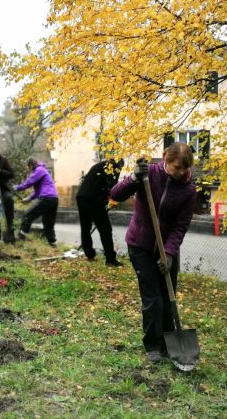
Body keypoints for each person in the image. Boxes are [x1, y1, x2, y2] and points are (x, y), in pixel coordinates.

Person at [109, 143, 196, 363]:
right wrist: (134, 178)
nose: (180, 173)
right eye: (176, 167)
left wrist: (168, 253)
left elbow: (181, 225)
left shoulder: (188, 189)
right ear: (166, 157)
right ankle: (153, 345)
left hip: (167, 249)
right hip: (140, 245)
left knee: (168, 297)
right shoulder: (149, 175)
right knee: (153, 298)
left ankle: (170, 344)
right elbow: (116, 194)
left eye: (184, 169)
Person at [77, 158, 124, 266]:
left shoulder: (100, 165)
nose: (120, 169)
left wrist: (107, 199)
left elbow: (99, 184)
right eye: (121, 166)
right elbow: (114, 188)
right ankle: (110, 259)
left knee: (85, 227)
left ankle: (89, 254)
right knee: (105, 229)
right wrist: (114, 198)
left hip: (81, 196)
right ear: (119, 163)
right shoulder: (113, 167)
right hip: (93, 199)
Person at [14, 157, 59, 246]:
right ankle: (52, 243)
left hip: (46, 198)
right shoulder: (42, 170)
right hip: (54, 199)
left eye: (26, 166)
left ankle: (21, 236)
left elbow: (28, 183)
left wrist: (16, 188)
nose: (26, 169)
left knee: (28, 215)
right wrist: (29, 198)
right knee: (48, 222)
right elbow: (37, 191)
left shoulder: (39, 170)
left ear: (30, 165)